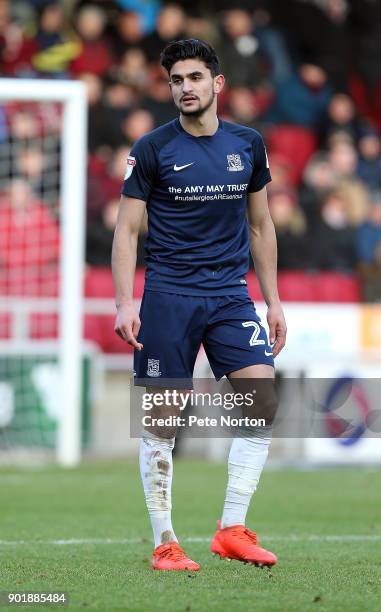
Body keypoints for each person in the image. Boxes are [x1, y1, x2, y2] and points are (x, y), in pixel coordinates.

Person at [112, 38, 287, 572]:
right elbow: (127, 229)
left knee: (262, 403)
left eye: (193, 78)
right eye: (175, 80)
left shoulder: (248, 144)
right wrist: (124, 302)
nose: (184, 88)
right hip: (169, 294)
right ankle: (165, 541)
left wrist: (273, 301)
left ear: (217, 84)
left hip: (231, 294)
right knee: (164, 419)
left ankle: (231, 529)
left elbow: (260, 224)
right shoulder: (151, 149)